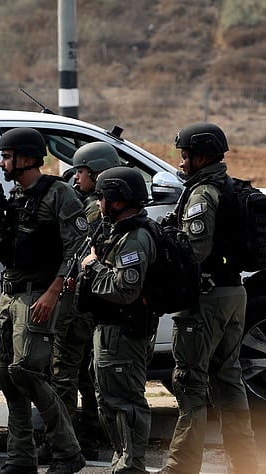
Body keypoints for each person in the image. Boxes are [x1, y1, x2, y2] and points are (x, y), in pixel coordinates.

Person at [157, 123, 258, 474]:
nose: (181, 162)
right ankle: (245, 464)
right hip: (234, 294)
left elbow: (194, 251)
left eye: (185, 156)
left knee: (190, 383)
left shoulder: (202, 194)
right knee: (229, 380)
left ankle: (181, 467)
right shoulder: (231, 187)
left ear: (201, 157)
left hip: (207, 299)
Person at [0, 127, 87, 474]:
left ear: (27, 158)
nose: (3, 163)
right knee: (7, 375)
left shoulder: (59, 194)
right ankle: (20, 457)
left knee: (26, 371)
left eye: (7, 156)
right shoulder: (16, 197)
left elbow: (78, 247)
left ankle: (67, 451)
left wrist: (53, 292)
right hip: (10, 293)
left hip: (39, 293)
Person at [77, 166, 157, 473]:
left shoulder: (135, 238)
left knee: (126, 405)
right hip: (110, 331)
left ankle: (131, 467)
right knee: (109, 402)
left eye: (102, 197)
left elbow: (124, 290)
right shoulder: (118, 232)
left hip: (124, 332)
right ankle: (122, 463)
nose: (98, 203)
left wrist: (92, 266)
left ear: (119, 200)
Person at [47, 142, 121, 461]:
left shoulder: (92, 209)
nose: (76, 178)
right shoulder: (115, 206)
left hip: (78, 298)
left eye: (81, 172)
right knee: (88, 372)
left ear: (97, 173)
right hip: (98, 299)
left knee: (64, 369)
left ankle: (63, 441)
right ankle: (92, 431)